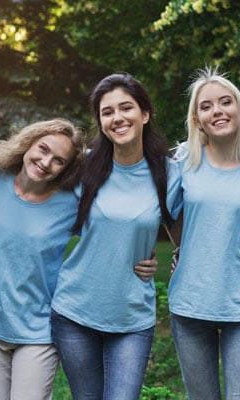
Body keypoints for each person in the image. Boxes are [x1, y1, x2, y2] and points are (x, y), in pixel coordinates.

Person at [50, 72, 181, 399]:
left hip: (132, 316)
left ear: (145, 114)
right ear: (100, 121)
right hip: (75, 311)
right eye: (107, 112)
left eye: (126, 108)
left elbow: (186, 238)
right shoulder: (84, 165)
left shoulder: (169, 173)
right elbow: (38, 204)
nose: (117, 118)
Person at [168, 67, 240, 399]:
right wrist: (186, 246)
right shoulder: (183, 161)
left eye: (226, 102)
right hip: (190, 299)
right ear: (197, 119)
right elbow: (166, 216)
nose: (217, 111)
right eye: (206, 106)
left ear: (239, 109)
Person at [0, 119, 85, 399]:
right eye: (42, 149)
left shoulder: (72, 202)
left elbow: (112, 229)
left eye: (59, 160)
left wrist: (143, 255)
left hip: (40, 330)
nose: (45, 162)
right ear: (27, 143)